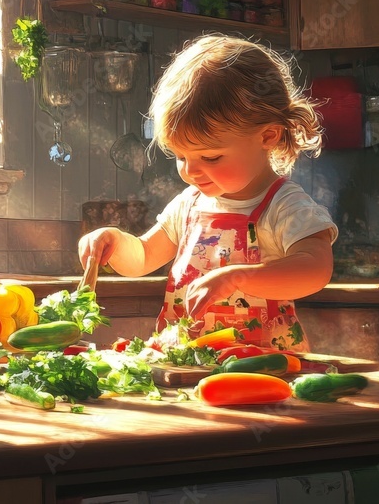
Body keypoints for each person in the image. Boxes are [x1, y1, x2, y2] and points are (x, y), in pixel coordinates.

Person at [78, 35, 337, 351]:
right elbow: (143, 257)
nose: (190, 171)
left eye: (211, 157)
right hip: (186, 364)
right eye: (180, 156)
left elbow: (315, 270)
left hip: (263, 370)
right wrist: (114, 243)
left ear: (268, 135)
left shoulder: (285, 206)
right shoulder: (188, 205)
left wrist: (236, 277)